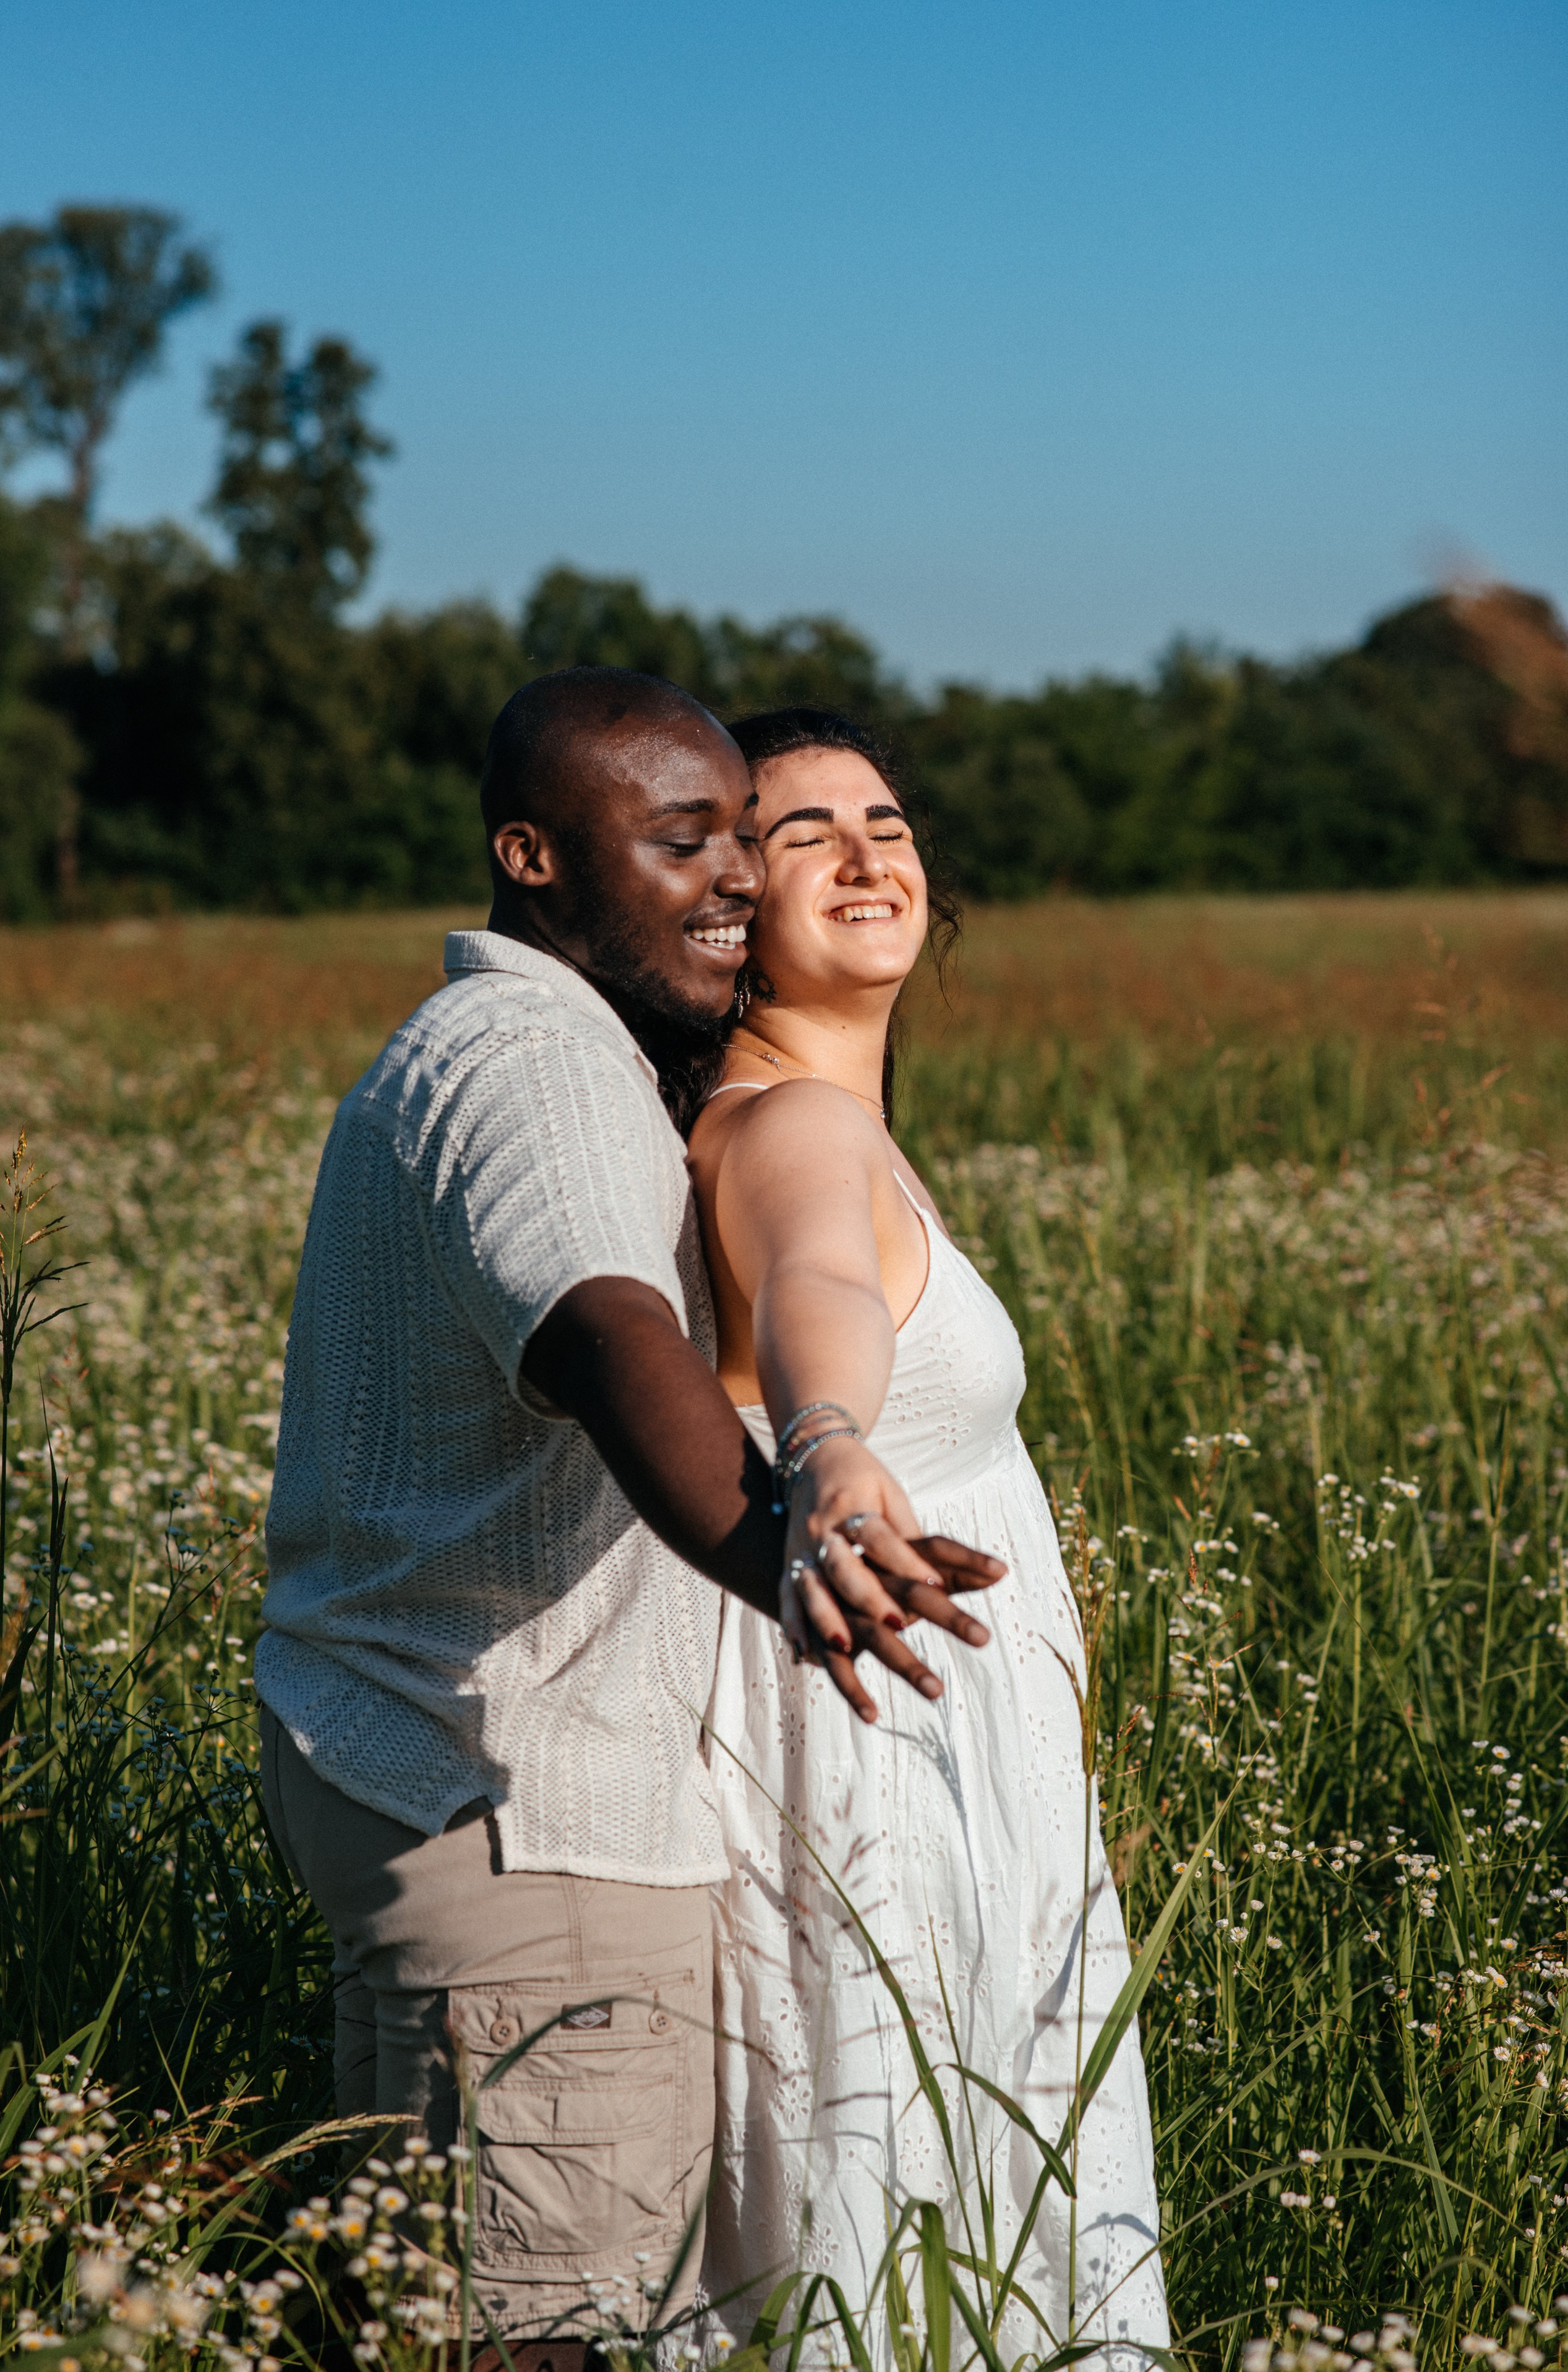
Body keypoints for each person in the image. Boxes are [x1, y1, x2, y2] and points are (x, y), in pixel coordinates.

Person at [254, 669, 1000, 2369]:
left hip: (431, 1773)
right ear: (530, 854)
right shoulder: (543, 1071)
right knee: (539, 2328)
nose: (736, 875)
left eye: (746, 834)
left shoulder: (504, 1045)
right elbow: (611, 1331)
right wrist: (793, 1544)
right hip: (528, 1822)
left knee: (447, 2307)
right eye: (688, 839)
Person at [687, 708, 1169, 2361]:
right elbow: (820, 1288)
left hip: (921, 1734)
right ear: (732, 896)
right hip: (879, 1763)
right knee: (899, 2211)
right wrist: (830, 1442)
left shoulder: (829, 1115)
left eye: (884, 819)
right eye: (802, 827)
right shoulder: (791, 1129)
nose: (864, 851)